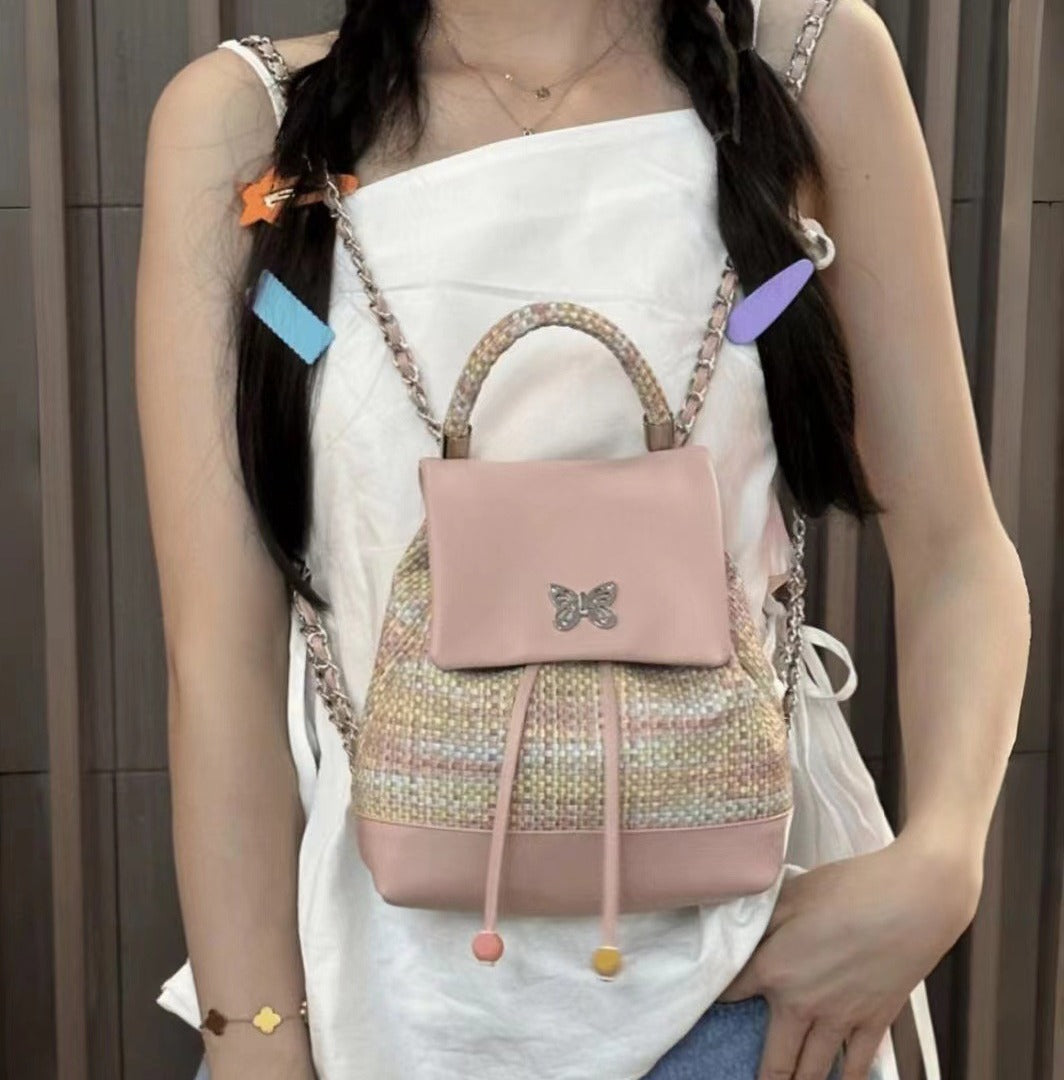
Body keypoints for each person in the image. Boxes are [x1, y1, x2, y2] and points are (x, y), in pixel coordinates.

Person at [135, 1, 1030, 1078]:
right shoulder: (248, 122)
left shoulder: (807, 64)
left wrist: (941, 866)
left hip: (752, 992)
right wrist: (254, 1042)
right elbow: (218, 667)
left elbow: (955, 551)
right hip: (376, 1012)